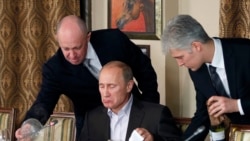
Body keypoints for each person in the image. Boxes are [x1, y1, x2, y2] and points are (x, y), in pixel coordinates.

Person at [16, 15, 160, 140]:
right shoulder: (55, 69)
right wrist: (29, 125)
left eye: (77, 48)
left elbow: (145, 71)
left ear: (88, 37)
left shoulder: (114, 41)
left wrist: (148, 112)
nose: (72, 55)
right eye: (66, 49)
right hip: (91, 127)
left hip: (132, 115)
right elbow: (43, 103)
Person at [161, 14, 250, 140]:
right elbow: (202, 117)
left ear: (196, 46)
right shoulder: (196, 70)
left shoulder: (245, 52)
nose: (180, 64)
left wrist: (237, 105)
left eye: (180, 57)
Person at [79, 61, 181, 141]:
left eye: (112, 86)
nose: (105, 93)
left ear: (129, 86)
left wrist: (154, 139)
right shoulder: (92, 118)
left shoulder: (156, 115)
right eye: (101, 86)